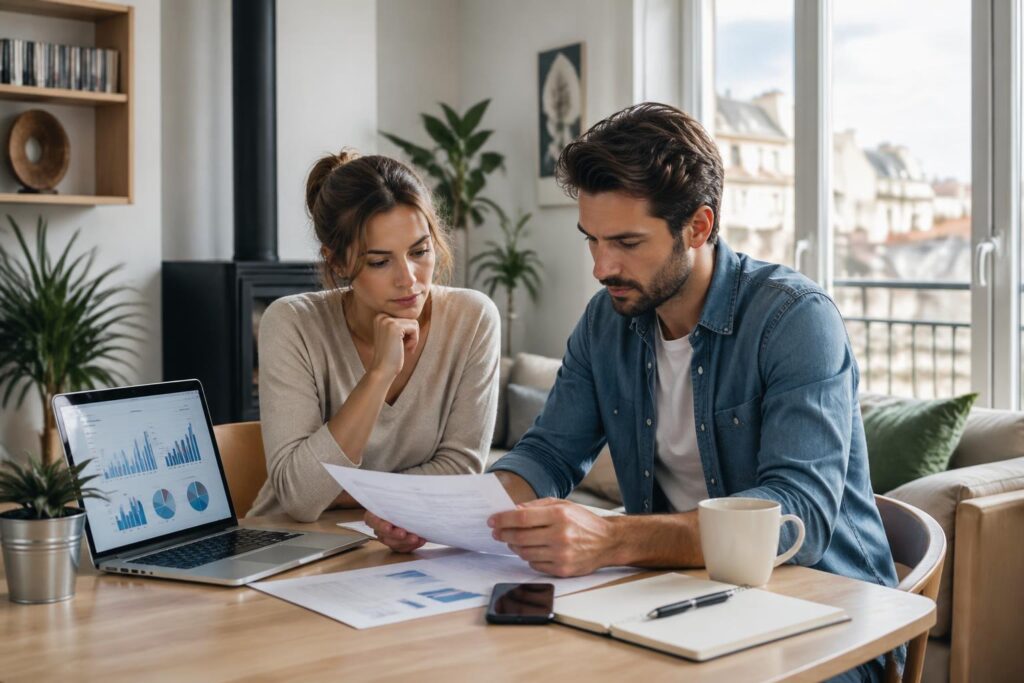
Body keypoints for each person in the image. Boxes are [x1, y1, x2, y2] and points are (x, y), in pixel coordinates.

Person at [366, 104, 898, 681]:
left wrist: (614, 538)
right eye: (591, 240)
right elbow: (548, 454)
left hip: (828, 616)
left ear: (698, 226)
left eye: (625, 242)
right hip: (682, 601)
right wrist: (445, 515)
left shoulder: (793, 319)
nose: (601, 266)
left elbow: (800, 518)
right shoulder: (608, 321)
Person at [248, 150, 501, 522]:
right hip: (289, 545)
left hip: (398, 544)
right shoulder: (292, 323)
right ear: (337, 262)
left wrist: (338, 489)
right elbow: (301, 499)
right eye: (380, 261)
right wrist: (379, 375)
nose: (409, 279)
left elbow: (461, 474)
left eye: (420, 251)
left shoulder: (473, 319)